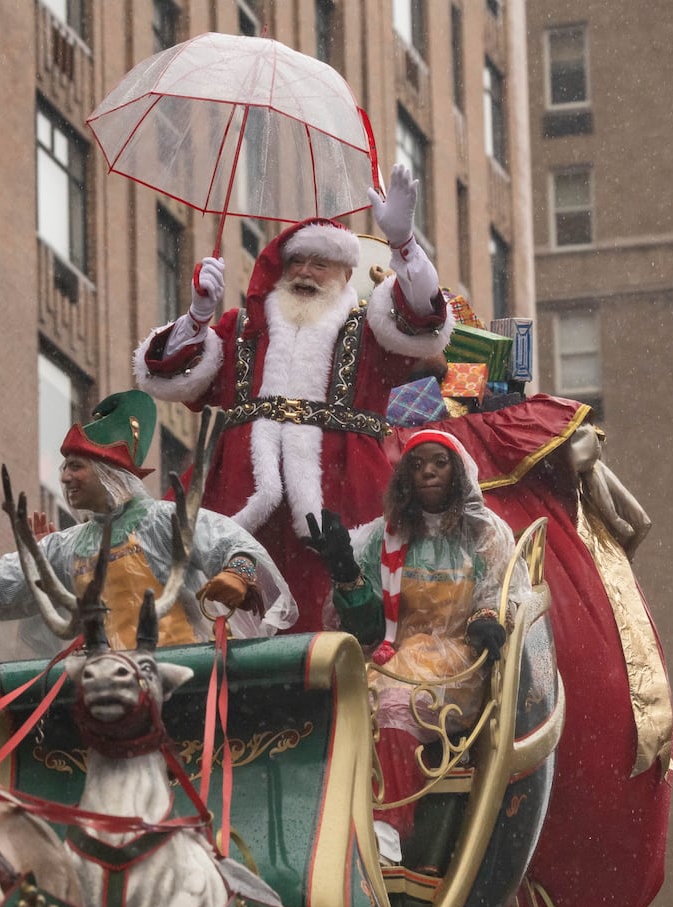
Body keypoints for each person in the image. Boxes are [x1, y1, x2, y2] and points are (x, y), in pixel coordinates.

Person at [132, 164, 453, 632]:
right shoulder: (243, 330)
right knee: (215, 620)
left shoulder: (369, 332)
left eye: (319, 264)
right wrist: (199, 315)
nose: (304, 273)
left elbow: (422, 318)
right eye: (296, 263)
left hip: (344, 496)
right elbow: (172, 374)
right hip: (241, 496)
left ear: (347, 273)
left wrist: (404, 246)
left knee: (344, 621)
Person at [0, 390, 296, 660]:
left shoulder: (166, 519)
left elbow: (232, 543)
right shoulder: (68, 545)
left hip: (186, 674)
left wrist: (237, 573)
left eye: (76, 466)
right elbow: (10, 581)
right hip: (114, 684)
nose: (65, 478)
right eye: (64, 467)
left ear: (110, 473)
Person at [304, 429, 527, 859]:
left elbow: (503, 594)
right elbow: (367, 631)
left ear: (458, 471)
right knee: (343, 707)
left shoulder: (485, 533)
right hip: (392, 658)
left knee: (390, 705)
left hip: (459, 662)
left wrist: (488, 620)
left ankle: (386, 834)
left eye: (438, 463)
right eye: (417, 463)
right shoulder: (381, 537)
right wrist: (346, 570)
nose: (427, 471)